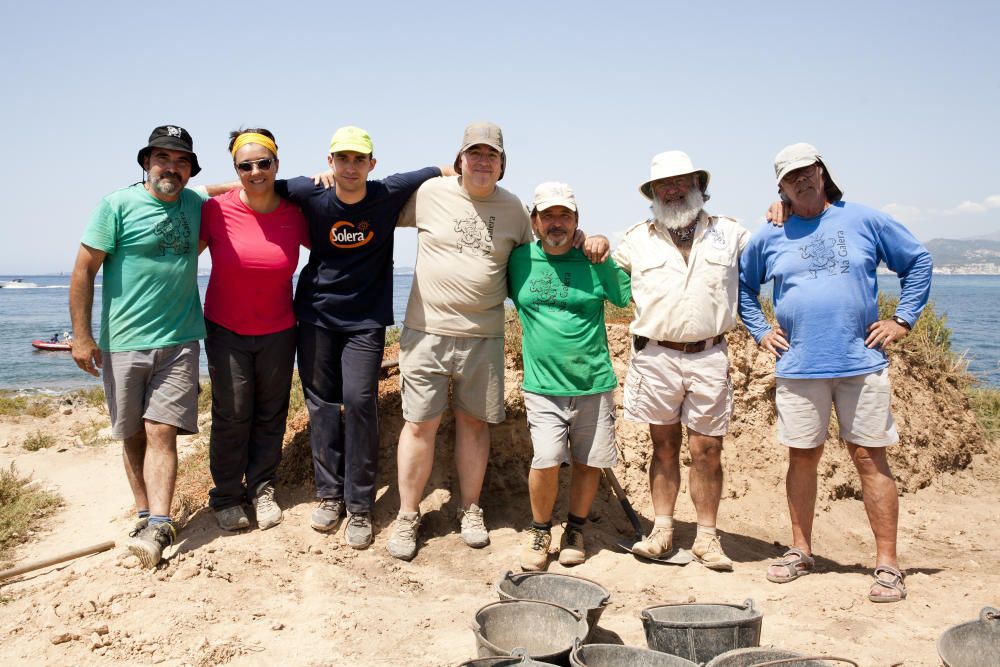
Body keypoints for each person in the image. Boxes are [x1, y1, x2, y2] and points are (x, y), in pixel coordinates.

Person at [386, 122, 608, 561]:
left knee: (475, 423)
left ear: (503, 164)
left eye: (492, 155)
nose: (483, 161)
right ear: (460, 159)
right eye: (475, 153)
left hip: (484, 336)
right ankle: (407, 515)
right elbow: (374, 210)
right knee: (418, 425)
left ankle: (470, 509)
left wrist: (585, 238)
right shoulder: (430, 193)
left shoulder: (514, 212)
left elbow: (546, 250)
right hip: (425, 331)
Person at [739, 142, 932, 602]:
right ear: (780, 187)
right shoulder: (768, 234)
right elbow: (743, 287)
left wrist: (902, 319)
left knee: (869, 458)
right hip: (800, 365)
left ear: (822, 173)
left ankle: (887, 564)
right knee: (802, 457)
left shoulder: (864, 219)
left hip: (860, 363)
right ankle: (801, 552)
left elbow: (918, 261)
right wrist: (760, 331)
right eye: (791, 176)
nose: (802, 180)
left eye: (809, 171)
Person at [278, 127, 446, 549]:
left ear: (372, 164)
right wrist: (199, 188)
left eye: (359, 160)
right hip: (315, 314)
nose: (350, 167)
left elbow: (445, 168)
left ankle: (360, 506)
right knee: (320, 405)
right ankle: (330, 495)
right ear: (330, 162)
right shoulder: (311, 193)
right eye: (342, 159)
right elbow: (254, 181)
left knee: (358, 402)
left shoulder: (388, 192)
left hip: (365, 322)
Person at [70, 125, 209, 568]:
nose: (171, 167)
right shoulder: (116, 205)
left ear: (190, 169)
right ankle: (145, 511)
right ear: (146, 164)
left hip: (181, 339)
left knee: (160, 430)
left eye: (181, 160)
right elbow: (83, 272)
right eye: (163, 158)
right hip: (123, 341)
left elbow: (236, 189)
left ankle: (161, 524)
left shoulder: (196, 203)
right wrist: (82, 336)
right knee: (130, 433)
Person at [612, 151, 749, 571]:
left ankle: (708, 537)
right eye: (662, 185)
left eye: (681, 182)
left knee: (708, 450)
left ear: (698, 186)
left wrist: (781, 215)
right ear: (652, 193)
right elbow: (609, 284)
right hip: (656, 356)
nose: (672, 190)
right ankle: (664, 530)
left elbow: (769, 260)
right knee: (664, 446)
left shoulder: (731, 233)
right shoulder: (635, 239)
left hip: (709, 354)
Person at [508, 182, 631, 571]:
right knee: (545, 458)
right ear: (535, 221)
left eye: (565, 215)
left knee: (588, 461)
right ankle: (541, 530)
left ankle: (574, 530)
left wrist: (603, 253)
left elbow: (624, 298)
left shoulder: (593, 259)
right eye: (548, 216)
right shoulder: (519, 260)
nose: (556, 223)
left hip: (592, 381)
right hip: (542, 385)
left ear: (577, 220)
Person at [199, 128, 308, 532]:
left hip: (280, 328)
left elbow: (337, 242)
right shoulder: (215, 210)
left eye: (264, 163)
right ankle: (226, 496)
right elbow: (179, 199)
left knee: (270, 413)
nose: (256, 171)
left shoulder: (295, 213)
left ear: (277, 165)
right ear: (234, 170)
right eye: (245, 166)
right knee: (232, 412)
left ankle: (262, 488)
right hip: (226, 329)